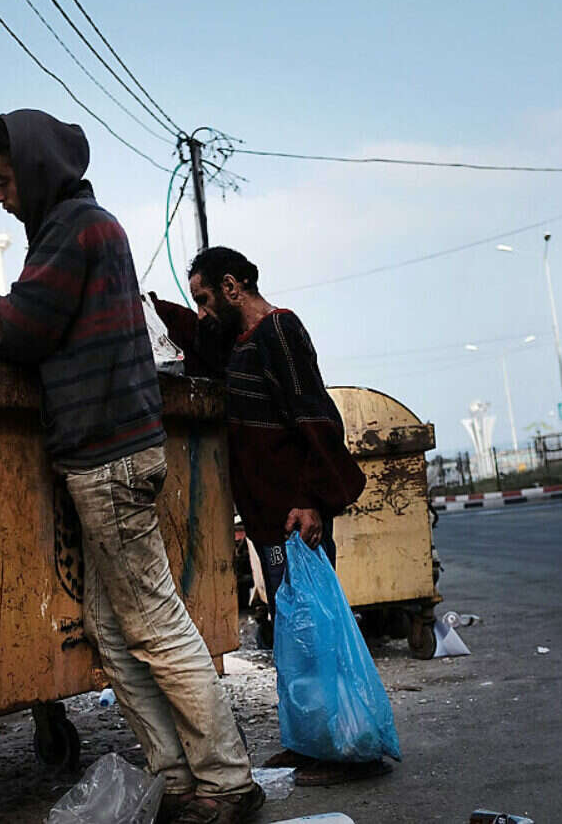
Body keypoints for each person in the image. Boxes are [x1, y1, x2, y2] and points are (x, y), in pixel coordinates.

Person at [0, 111, 262, 824]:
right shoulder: (80, 228)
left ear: (35, 169)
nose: (1, 197)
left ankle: (226, 781)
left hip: (107, 459)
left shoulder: (74, 231)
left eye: (5, 181)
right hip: (108, 454)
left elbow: (16, 330)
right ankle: (176, 778)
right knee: (112, 629)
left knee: (154, 623)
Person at [153, 246, 387, 787]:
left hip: (295, 517)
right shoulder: (238, 346)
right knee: (294, 637)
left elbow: (315, 415)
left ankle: (348, 752)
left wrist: (313, 501)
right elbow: (197, 339)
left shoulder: (279, 331)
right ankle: (312, 743)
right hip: (268, 522)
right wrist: (154, 307)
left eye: (206, 298)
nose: (204, 311)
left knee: (315, 634)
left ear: (232, 287)